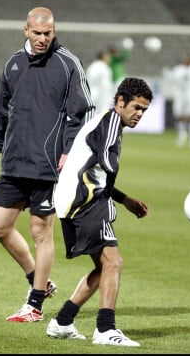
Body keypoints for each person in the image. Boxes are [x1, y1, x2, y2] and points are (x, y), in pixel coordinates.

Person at [0, 7, 95, 322]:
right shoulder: (13, 64)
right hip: (15, 160)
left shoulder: (68, 64)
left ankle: (34, 305)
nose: (43, 39)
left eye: (48, 33)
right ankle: (38, 281)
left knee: (40, 231)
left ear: (54, 31)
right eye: (37, 33)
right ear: (26, 31)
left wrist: (69, 151)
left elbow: (82, 112)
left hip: (48, 165)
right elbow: (2, 112)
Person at [46, 77, 152, 347]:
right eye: (136, 107)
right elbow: (106, 162)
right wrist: (116, 197)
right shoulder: (111, 124)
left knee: (103, 267)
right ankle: (105, 329)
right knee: (113, 263)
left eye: (144, 110)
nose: (139, 114)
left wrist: (124, 199)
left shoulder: (106, 122)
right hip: (87, 202)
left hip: (71, 201)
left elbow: (96, 170)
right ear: (120, 101)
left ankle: (62, 321)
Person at [85, 50, 113, 116]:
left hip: (90, 93)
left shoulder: (92, 65)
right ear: (104, 57)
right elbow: (106, 84)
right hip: (100, 95)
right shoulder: (104, 67)